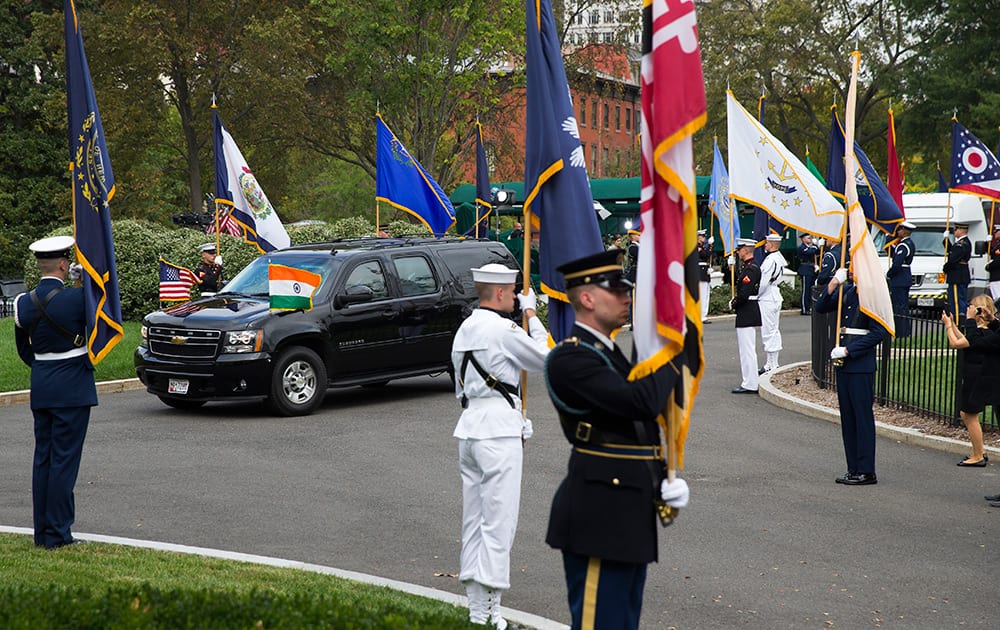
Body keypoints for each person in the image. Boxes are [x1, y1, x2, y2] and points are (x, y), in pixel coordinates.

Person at [543, 249, 689, 630]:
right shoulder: (570, 359)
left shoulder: (608, 354)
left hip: (627, 512)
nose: (627, 297)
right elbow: (639, 403)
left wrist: (662, 480)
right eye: (616, 290)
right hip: (598, 516)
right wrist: (674, 345)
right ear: (587, 298)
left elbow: (635, 430)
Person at [451, 263, 549, 628]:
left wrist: (513, 414)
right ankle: (490, 617)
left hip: (471, 429)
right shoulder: (505, 329)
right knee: (498, 526)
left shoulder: (464, 330)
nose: (514, 298)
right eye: (513, 293)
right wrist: (532, 315)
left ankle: (480, 613)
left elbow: (461, 389)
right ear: (502, 293)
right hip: (497, 435)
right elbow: (547, 359)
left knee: (474, 524)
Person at [13, 235, 97, 549]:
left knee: (43, 460)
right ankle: (59, 534)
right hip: (72, 386)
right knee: (64, 461)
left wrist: (45, 367)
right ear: (64, 264)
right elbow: (102, 302)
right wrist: (87, 277)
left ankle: (42, 533)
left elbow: (24, 351)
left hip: (43, 383)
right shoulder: (77, 298)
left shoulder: (23, 302)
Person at [814, 266, 889, 486]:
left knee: (862, 418)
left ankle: (866, 470)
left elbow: (878, 332)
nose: (851, 269)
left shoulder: (871, 295)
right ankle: (853, 467)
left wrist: (849, 350)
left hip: (859, 363)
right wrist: (834, 283)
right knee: (848, 418)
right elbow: (820, 307)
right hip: (844, 364)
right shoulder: (848, 291)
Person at [942, 295, 1000, 467]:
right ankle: (978, 452)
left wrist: (948, 327)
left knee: (970, 415)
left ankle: (978, 454)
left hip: (977, 377)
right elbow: (966, 339)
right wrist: (952, 324)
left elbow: (960, 343)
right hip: (975, 375)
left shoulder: (984, 332)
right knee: (966, 414)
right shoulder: (987, 330)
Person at [731, 238, 761, 393]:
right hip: (748, 310)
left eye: (739, 249)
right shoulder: (748, 267)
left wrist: (734, 303)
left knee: (747, 350)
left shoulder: (751, 269)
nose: (738, 252)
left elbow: (744, 294)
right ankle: (750, 381)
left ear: (746, 250)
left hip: (747, 310)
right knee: (746, 349)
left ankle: (750, 383)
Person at [758, 233, 786, 374]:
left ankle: (771, 364)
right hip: (774, 294)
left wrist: (756, 295)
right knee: (773, 330)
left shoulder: (771, 260)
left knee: (768, 331)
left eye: (767, 243)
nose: (765, 245)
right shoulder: (778, 258)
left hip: (768, 296)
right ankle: (772, 362)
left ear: (773, 244)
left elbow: (763, 282)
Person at [887, 221, 916, 338]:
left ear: (904, 231)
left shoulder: (903, 245)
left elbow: (897, 264)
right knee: (902, 306)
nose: (897, 232)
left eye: (899, 230)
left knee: (899, 306)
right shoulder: (909, 243)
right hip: (904, 277)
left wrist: (889, 274)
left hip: (900, 278)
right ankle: (904, 331)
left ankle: (902, 332)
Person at [943, 223, 972, 321]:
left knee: (957, 301)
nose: (954, 232)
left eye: (955, 230)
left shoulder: (961, 244)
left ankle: (958, 321)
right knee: (959, 299)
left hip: (957, 276)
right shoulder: (962, 243)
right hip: (959, 275)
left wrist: (945, 268)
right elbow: (952, 251)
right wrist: (946, 241)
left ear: (960, 230)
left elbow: (953, 259)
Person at [796, 233, 820, 315]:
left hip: (812, 269)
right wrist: (815, 245)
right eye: (808, 238)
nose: (810, 239)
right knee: (806, 291)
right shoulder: (802, 247)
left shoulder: (811, 247)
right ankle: (804, 308)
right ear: (803, 239)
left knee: (811, 290)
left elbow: (818, 252)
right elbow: (811, 252)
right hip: (805, 269)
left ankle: (809, 307)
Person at [696, 229, 714, 323]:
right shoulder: (697, 247)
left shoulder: (702, 246)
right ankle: (702, 316)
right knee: (702, 295)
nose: (704, 238)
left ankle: (703, 315)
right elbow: (705, 254)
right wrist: (710, 246)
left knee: (705, 295)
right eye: (702, 236)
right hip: (700, 273)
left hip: (704, 273)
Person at [986, 225, 1000, 301]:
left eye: (997, 232)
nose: (995, 234)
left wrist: (988, 266)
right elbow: (992, 253)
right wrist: (987, 243)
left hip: (998, 277)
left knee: (998, 298)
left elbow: (998, 261)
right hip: (995, 277)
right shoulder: (997, 245)